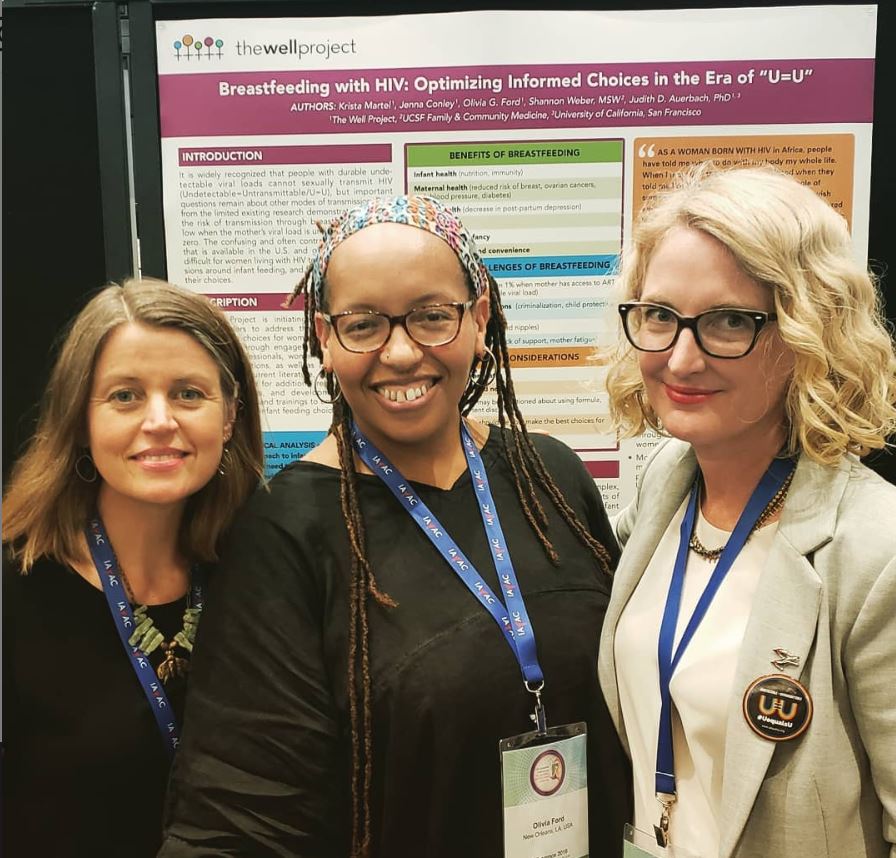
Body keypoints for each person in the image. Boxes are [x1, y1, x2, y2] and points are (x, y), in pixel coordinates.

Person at [158, 195, 631, 857]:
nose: (402, 352)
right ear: (325, 339)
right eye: (363, 325)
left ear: (480, 320)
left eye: (432, 316)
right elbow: (244, 809)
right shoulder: (285, 531)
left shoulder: (547, 475)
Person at [599, 163, 896, 858]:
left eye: (730, 321)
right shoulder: (663, 487)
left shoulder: (875, 549)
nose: (681, 357)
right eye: (661, 316)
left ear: (805, 333)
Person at [2, 278, 265, 858]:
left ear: (229, 417)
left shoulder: (263, 575)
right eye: (124, 396)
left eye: (189, 394)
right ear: (78, 419)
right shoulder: (14, 593)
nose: (160, 420)